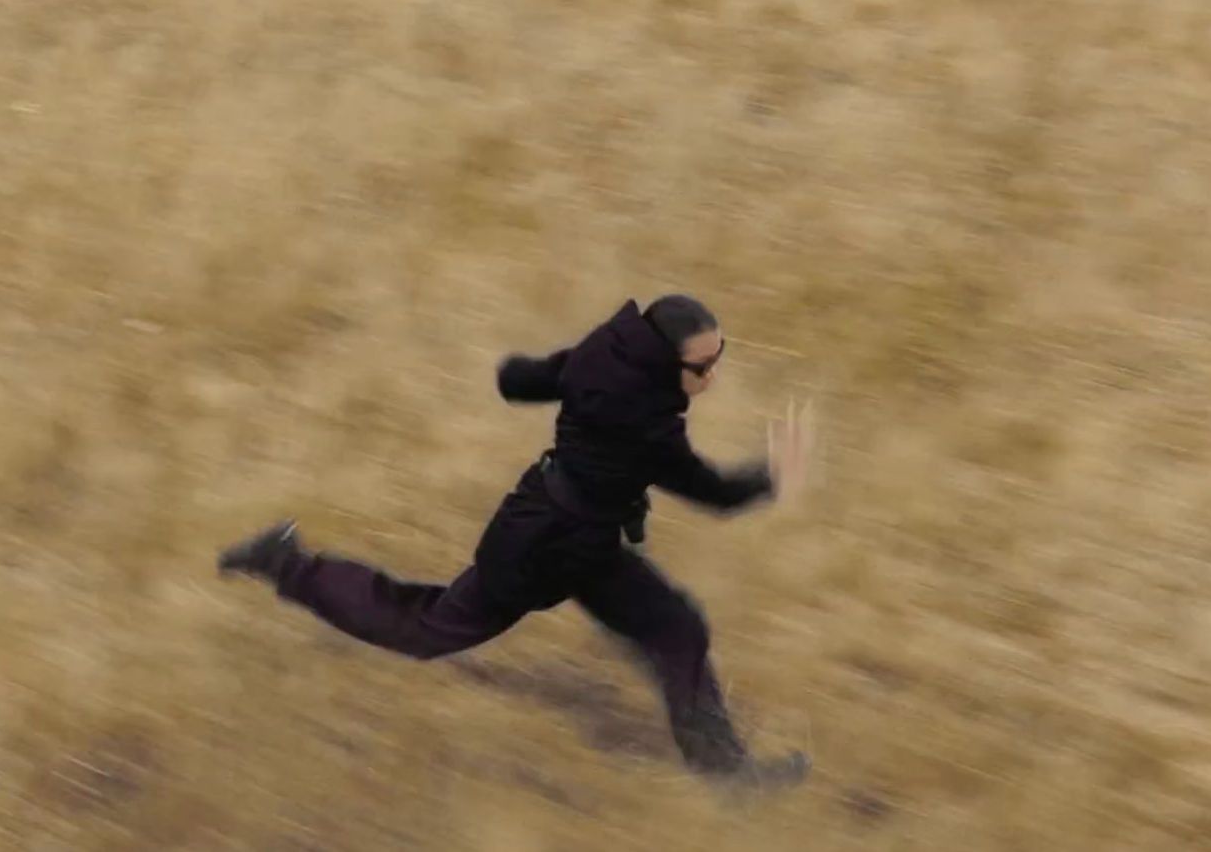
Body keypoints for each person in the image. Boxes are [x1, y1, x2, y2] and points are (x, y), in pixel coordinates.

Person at [216, 294, 815, 786]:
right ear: (663, 365)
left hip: (583, 538)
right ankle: (286, 562)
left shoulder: (603, 354)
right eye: (703, 367)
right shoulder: (647, 423)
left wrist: (513, 373)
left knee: (676, 626)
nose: (714, 376)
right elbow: (711, 492)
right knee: (427, 629)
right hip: (540, 545)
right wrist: (771, 478)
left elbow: (525, 380)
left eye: (719, 358)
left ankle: (728, 776)